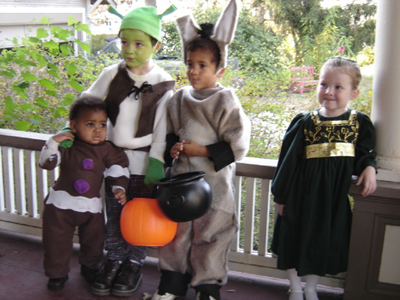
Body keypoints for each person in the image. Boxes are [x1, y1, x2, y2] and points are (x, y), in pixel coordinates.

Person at [151, 1, 250, 300]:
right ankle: (172, 282)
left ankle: (207, 285)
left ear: (220, 68)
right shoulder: (177, 99)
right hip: (181, 181)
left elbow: (238, 143)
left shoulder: (226, 101)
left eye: (202, 65)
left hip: (214, 184)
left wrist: (203, 150)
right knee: (177, 233)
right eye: (190, 64)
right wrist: (176, 148)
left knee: (212, 234)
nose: (194, 71)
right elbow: (168, 133)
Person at [80, 4, 177, 297]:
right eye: (124, 42)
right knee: (114, 211)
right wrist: (72, 128)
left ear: (155, 45)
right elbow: (87, 101)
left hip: (144, 159)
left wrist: (157, 162)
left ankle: (134, 262)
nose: (129, 49)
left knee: (141, 214)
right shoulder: (112, 73)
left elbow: (162, 127)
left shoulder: (162, 83)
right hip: (112, 159)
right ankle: (114, 259)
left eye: (138, 43)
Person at [271, 57, 377, 300]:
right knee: (293, 238)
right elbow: (288, 162)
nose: (329, 92)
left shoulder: (358, 123)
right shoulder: (306, 122)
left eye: (338, 87)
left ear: (354, 92)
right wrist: (282, 195)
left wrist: (369, 167)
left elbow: (365, 152)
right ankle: (295, 287)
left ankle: (310, 288)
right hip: (300, 196)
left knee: (322, 242)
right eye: (323, 84)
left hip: (332, 200)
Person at [40, 95, 130, 291]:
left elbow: (118, 168)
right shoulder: (68, 145)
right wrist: (53, 142)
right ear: (74, 126)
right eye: (90, 124)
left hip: (91, 208)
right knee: (56, 243)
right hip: (60, 207)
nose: (97, 130)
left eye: (102, 125)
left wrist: (119, 188)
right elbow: (47, 162)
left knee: (94, 242)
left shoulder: (107, 149)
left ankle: (90, 268)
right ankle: (57, 274)